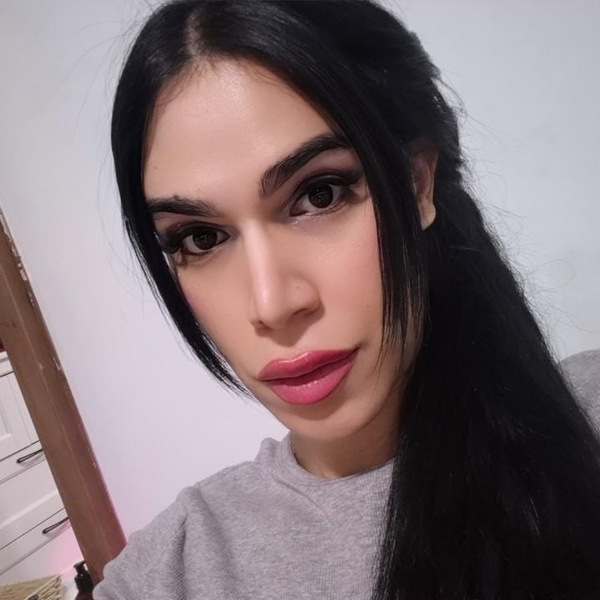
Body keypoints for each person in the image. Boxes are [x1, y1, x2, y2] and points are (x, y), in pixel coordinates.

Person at [94, 1, 600, 599]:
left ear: (416, 185)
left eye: (320, 194)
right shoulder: (174, 571)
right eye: (200, 238)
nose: (272, 304)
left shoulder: (586, 424)